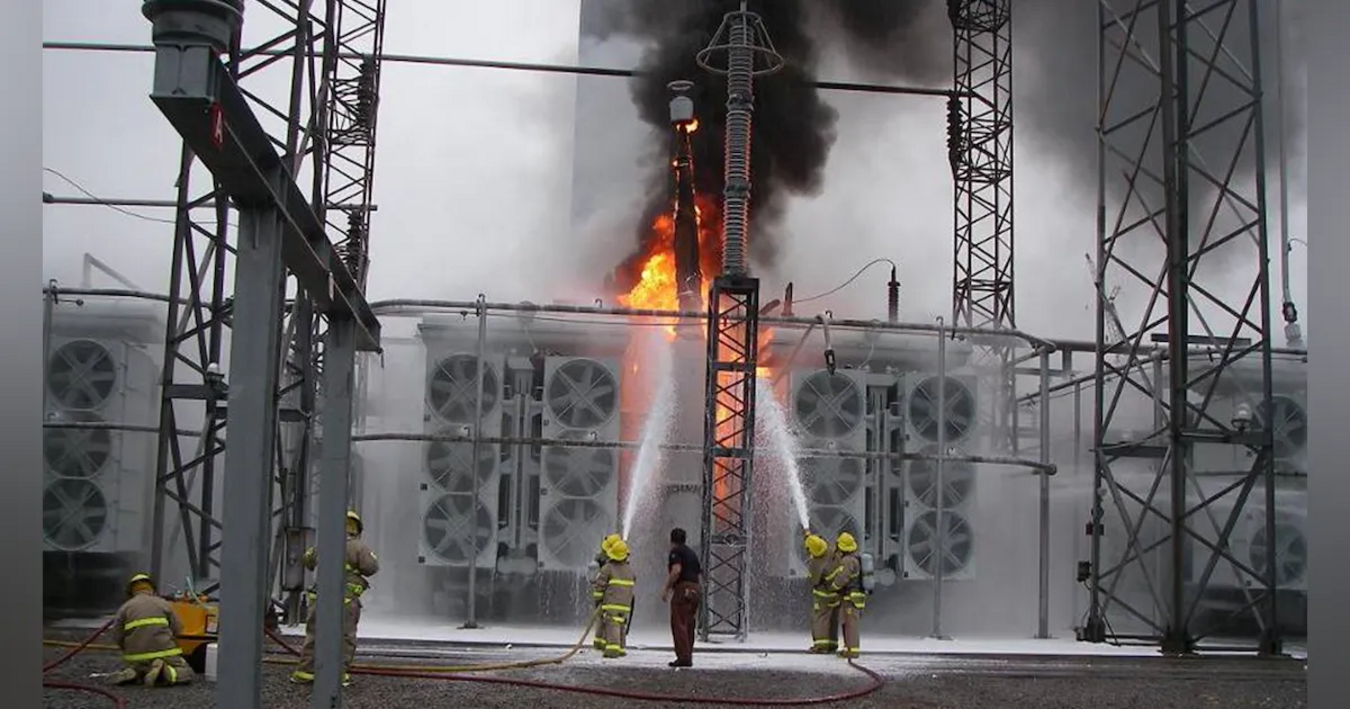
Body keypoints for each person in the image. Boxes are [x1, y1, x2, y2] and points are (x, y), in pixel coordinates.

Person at [291, 510, 380, 686]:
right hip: (345, 601)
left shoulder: (324, 544)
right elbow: (370, 567)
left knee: (314, 634)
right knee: (345, 637)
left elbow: (307, 560)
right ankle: (337, 673)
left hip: (319, 598)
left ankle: (305, 672)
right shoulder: (358, 547)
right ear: (356, 529)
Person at [109, 573, 194, 687]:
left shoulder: (125, 607)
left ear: (131, 592)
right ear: (152, 589)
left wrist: (128, 649)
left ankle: (135, 672)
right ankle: (166, 672)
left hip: (135, 656)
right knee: (187, 673)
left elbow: (116, 635)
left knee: (142, 666)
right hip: (164, 653)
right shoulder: (163, 603)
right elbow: (178, 629)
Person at [661, 527, 702, 668]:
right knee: (689, 623)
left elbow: (676, 570)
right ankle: (688, 654)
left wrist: (666, 589)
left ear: (672, 540)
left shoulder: (676, 552)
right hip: (695, 589)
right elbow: (698, 573)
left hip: (683, 589)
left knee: (679, 623)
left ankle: (683, 657)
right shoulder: (691, 553)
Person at [591, 537, 636, 658]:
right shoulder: (629, 569)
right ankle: (621, 648)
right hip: (625, 605)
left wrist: (598, 599)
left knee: (612, 626)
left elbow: (600, 586)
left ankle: (612, 650)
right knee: (621, 625)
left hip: (611, 603)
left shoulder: (608, 568)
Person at [825, 532, 866, 659]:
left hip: (850, 598)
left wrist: (833, 588)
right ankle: (849, 648)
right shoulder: (854, 558)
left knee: (851, 625)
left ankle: (852, 651)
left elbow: (842, 578)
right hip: (853, 597)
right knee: (848, 623)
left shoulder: (848, 561)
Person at [803, 532, 840, 654]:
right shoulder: (832, 551)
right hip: (836, 593)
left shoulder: (816, 564)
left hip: (823, 595)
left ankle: (820, 646)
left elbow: (814, 581)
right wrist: (810, 537)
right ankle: (832, 644)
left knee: (820, 618)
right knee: (833, 619)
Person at [590, 533, 622, 650]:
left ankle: (601, 643)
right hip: (609, 594)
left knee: (605, 619)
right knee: (609, 620)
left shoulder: (602, 558)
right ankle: (607, 644)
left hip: (608, 593)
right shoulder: (605, 560)